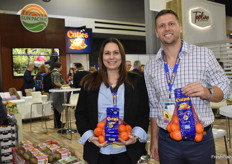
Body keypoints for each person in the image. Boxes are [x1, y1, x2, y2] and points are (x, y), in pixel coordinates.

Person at [144, 9, 231, 164]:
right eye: (161, 26)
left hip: (200, 140)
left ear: (180, 27)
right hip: (167, 140)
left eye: (171, 24)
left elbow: (225, 88)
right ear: (157, 32)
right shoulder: (150, 67)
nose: (167, 28)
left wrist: (207, 92)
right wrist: (154, 140)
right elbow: (154, 107)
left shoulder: (203, 54)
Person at [75, 38, 150, 164]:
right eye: (107, 53)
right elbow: (81, 113)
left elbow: (143, 112)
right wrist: (91, 137)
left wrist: (135, 136)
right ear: (101, 56)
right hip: (98, 150)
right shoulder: (89, 81)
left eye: (116, 52)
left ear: (122, 55)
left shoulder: (136, 81)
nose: (111, 57)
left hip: (128, 150)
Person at [48, 62, 66, 128]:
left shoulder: (52, 72)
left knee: (56, 109)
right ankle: (58, 124)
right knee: (57, 108)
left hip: (54, 92)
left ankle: (58, 123)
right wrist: (64, 86)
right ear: (59, 67)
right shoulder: (56, 73)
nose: (62, 68)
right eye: (61, 67)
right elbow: (56, 83)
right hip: (57, 93)